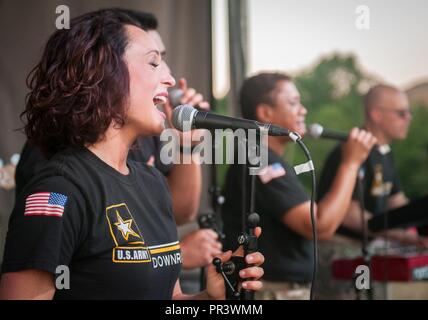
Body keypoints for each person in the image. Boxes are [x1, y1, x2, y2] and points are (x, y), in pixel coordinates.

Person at [0, 9, 264, 299]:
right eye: (153, 62)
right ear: (103, 73)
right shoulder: (60, 189)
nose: (170, 79)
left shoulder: (152, 182)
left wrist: (211, 297)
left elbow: (171, 299)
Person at [221, 72, 376, 300]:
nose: (303, 110)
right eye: (293, 103)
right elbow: (320, 226)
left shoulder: (262, 157)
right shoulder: (261, 161)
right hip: (273, 290)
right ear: (265, 113)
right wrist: (350, 164)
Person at [319, 84, 428, 246]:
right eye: (402, 113)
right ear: (376, 114)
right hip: (342, 248)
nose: (409, 118)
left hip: (371, 243)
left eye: (409, 112)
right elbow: (349, 215)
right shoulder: (351, 150)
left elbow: (396, 201)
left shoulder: (385, 152)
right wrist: (404, 237)